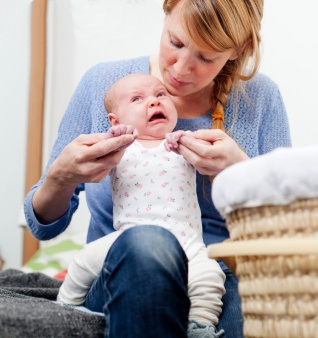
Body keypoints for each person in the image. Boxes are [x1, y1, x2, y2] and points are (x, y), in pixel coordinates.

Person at [23, 0, 292, 337]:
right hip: (125, 269)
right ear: (165, 12)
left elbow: (286, 233)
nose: (180, 70)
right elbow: (42, 228)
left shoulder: (260, 99)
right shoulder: (104, 86)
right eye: (175, 43)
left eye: (206, 58)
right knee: (149, 244)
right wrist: (61, 176)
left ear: (239, 50)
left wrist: (241, 171)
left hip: (218, 279)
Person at [56, 73, 225, 337]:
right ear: (115, 120)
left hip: (187, 240)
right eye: (137, 99)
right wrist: (116, 136)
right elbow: (100, 152)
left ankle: (200, 324)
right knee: (84, 260)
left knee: (210, 275)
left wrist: (191, 142)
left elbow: (210, 156)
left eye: (160, 95)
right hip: (128, 238)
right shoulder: (121, 147)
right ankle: (66, 305)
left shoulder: (181, 144)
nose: (154, 103)